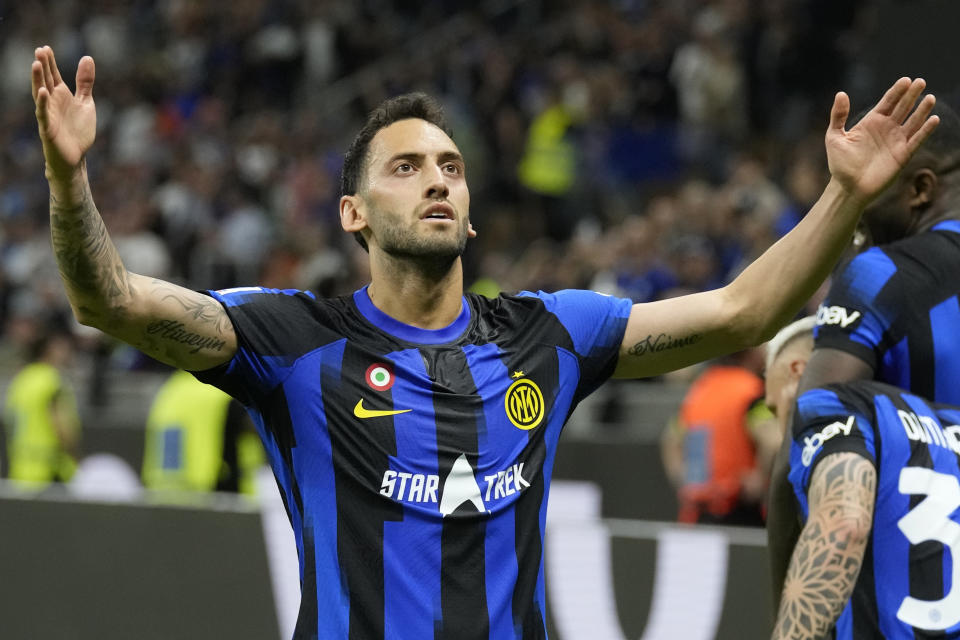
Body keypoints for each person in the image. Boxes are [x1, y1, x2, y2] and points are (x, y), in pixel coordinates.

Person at [30, 42, 939, 638]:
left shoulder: (549, 335)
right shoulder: (293, 340)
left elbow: (741, 311)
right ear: (353, 212)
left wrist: (845, 196)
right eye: (408, 167)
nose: (438, 182)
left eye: (452, 170)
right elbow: (110, 302)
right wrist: (70, 181)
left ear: (469, 216)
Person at [766, 100, 960, 606]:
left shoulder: (883, 273)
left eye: (875, 198)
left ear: (920, 189)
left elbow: (809, 438)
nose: (860, 222)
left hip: (909, 600)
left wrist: (788, 615)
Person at [764, 317, 960, 639]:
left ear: (798, 372)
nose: (780, 429)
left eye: (774, 409)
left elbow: (843, 526)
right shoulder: (950, 423)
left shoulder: (828, 406)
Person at [660, 347, 778, 525]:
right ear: (751, 352)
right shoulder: (751, 391)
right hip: (741, 511)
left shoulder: (700, 389)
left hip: (699, 513)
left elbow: (670, 440)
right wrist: (760, 478)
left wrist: (685, 482)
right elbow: (773, 442)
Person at [142, 368, 264, 496]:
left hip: (167, 491)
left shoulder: (173, 387)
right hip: (217, 492)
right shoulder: (226, 390)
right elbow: (263, 426)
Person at [3, 326, 81, 487]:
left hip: (21, 469)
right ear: (50, 350)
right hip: (51, 469)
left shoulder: (21, 380)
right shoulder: (51, 380)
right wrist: (76, 457)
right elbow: (62, 426)